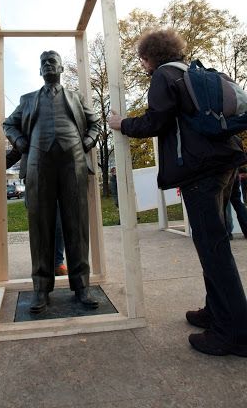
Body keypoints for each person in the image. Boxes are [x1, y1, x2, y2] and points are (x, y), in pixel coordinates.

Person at [108, 28, 247, 357]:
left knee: (214, 251)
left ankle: (236, 334)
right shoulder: (193, 72)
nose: (142, 65)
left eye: (141, 60)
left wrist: (122, 124)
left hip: (200, 173)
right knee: (214, 244)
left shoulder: (163, 76)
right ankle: (217, 313)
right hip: (225, 165)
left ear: (148, 57)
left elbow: (156, 123)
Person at [3, 50, 100, 313]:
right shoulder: (27, 99)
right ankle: (40, 290)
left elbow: (95, 123)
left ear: (60, 68)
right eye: (43, 62)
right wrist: (20, 142)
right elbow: (8, 124)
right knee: (40, 225)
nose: (47, 65)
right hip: (38, 163)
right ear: (39, 71)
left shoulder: (76, 97)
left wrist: (87, 141)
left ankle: (82, 287)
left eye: (52, 61)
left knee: (77, 223)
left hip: (74, 162)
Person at [6, 147, 68, 275]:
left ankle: (57, 263)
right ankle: (42, 264)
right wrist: (0, 165)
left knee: (59, 224)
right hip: (34, 179)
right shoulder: (29, 127)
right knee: (39, 225)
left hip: (58, 178)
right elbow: (18, 149)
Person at [225, 171, 247, 239]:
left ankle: (227, 232)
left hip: (222, 174)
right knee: (238, 203)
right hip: (234, 173)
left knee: (225, 205)